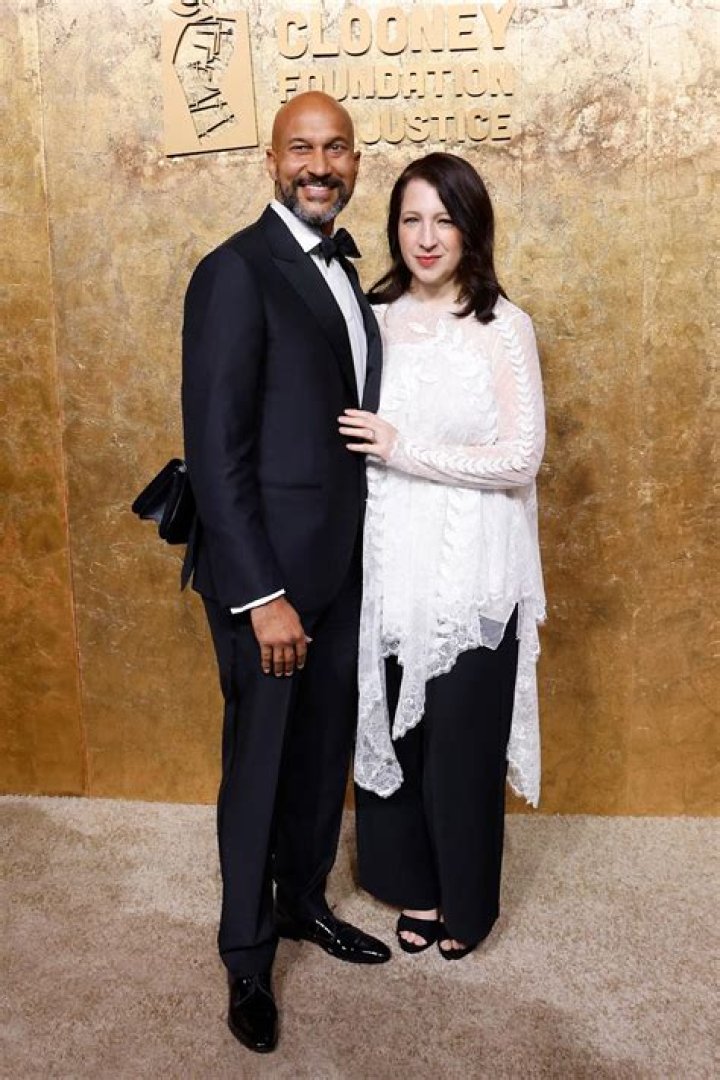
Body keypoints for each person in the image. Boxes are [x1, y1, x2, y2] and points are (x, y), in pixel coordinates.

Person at [181, 91, 389, 1055]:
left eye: (336, 149)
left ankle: (303, 901)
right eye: (301, 148)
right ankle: (246, 956)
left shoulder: (349, 274)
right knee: (260, 764)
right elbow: (215, 451)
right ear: (272, 160)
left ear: (355, 163)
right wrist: (262, 595)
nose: (320, 165)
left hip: (343, 569)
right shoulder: (235, 271)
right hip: (267, 580)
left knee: (319, 755)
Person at [339, 152, 546, 960]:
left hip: (474, 571)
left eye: (444, 220)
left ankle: (466, 900)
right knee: (395, 731)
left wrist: (404, 448)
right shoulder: (372, 317)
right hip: (391, 562)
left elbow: (522, 456)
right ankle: (411, 886)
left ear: (471, 229)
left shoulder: (504, 326)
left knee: (462, 743)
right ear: (394, 228)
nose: (426, 238)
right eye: (411, 220)